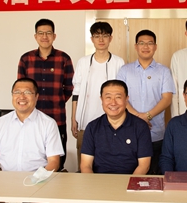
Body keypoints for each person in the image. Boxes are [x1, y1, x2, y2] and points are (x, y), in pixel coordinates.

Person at [17, 18, 74, 170]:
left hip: (56, 118)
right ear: (35, 36)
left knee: (57, 162)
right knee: (30, 158)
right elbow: (21, 89)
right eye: (41, 33)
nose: (44, 36)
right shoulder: (26, 59)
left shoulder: (64, 58)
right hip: (31, 119)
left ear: (54, 36)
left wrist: (56, 100)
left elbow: (69, 87)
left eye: (48, 33)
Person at [116, 30, 175, 175]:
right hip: (128, 131)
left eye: (150, 43)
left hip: (155, 133)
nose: (146, 46)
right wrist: (138, 118)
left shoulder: (164, 71)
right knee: (128, 174)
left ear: (155, 47)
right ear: (136, 46)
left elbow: (167, 99)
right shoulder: (125, 70)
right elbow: (120, 96)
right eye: (141, 43)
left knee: (153, 175)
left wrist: (146, 116)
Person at [72, 22, 125, 168]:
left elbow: (122, 92)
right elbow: (76, 92)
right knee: (84, 162)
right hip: (85, 121)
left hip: (112, 122)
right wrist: (73, 118)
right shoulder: (83, 62)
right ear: (92, 39)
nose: (101, 39)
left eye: (105, 36)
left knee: (109, 161)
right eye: (97, 36)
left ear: (110, 38)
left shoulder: (118, 62)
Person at [80, 80, 152, 174]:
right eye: (108, 97)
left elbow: (144, 166)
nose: (113, 103)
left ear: (126, 99)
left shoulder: (140, 127)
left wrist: (130, 183)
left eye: (118, 97)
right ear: (101, 99)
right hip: (98, 180)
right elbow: (86, 165)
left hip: (130, 179)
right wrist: (92, 183)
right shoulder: (92, 127)